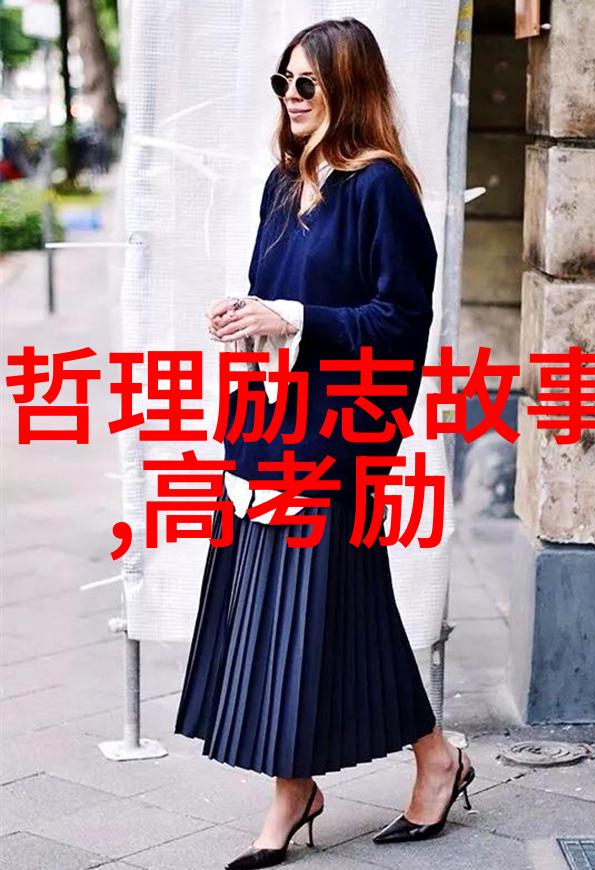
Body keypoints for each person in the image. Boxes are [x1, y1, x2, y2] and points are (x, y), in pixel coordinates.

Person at [174, 16, 474, 869]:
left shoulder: (381, 188)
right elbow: (272, 296)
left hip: (336, 437)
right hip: (268, 429)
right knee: (336, 607)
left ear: (349, 85)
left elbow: (400, 321)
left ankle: (293, 796)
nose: (292, 96)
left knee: (299, 609)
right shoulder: (284, 184)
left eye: (307, 82)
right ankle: (430, 759)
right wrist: (245, 318)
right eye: (284, 81)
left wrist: (292, 318)